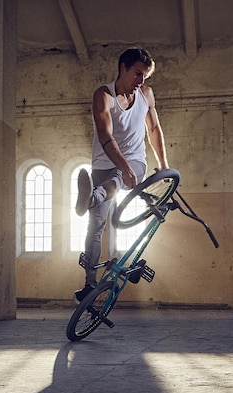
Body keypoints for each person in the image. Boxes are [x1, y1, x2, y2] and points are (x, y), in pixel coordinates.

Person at [74, 48, 169, 303]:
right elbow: (105, 137)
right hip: (104, 164)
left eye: (145, 76)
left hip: (136, 163)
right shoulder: (103, 96)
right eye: (138, 73)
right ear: (123, 68)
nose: (141, 81)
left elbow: (154, 129)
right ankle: (89, 285)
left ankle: (94, 196)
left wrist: (163, 165)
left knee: (118, 175)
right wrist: (121, 167)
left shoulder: (146, 95)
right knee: (95, 227)